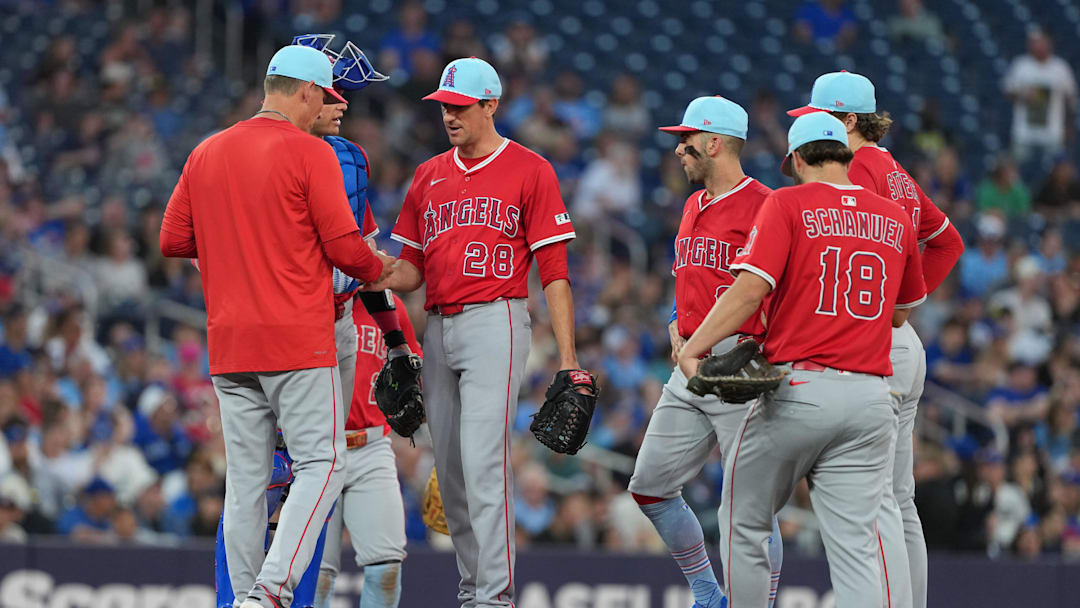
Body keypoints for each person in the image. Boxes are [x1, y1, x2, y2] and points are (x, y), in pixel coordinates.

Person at [160, 44, 394, 608]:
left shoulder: (207, 151)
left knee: (245, 481)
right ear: (308, 92)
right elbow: (345, 248)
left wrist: (235, 249)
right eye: (325, 96)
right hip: (296, 338)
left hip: (231, 344)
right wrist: (378, 267)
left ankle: (242, 597)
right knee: (324, 461)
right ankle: (269, 592)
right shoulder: (310, 152)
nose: (327, 107)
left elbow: (172, 240)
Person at [678, 112, 927, 607]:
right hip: (872, 397)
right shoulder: (894, 217)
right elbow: (900, 313)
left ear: (794, 158)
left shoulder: (787, 202)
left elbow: (749, 291)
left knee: (743, 521)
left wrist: (692, 346)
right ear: (847, 155)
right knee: (858, 547)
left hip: (802, 388)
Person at [375, 57, 590, 607]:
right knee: (449, 474)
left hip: (498, 319)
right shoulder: (428, 175)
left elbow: (556, 272)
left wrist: (568, 357)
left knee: (484, 462)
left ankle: (493, 598)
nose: (449, 115)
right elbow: (411, 271)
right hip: (438, 326)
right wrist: (365, 266)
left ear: (490, 105)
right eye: (444, 106)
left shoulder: (530, 168)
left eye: (460, 106)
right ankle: (473, 591)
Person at [788, 70, 964, 608]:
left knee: (874, 502)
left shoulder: (857, 168)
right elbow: (947, 242)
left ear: (847, 121)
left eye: (821, 119)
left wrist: (884, 312)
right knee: (899, 499)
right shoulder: (895, 171)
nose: (812, 130)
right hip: (901, 341)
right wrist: (900, 306)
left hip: (873, 348)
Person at [628, 96, 782, 608]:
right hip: (689, 364)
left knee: (749, 507)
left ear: (715, 143)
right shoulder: (693, 204)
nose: (678, 149)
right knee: (649, 486)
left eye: (687, 139)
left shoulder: (765, 203)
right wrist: (676, 325)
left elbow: (769, 290)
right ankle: (707, 593)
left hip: (739, 363)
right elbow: (691, 281)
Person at [314, 293, 421, 608]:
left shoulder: (390, 304)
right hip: (317, 449)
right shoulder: (311, 294)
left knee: (386, 569)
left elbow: (413, 365)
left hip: (372, 445)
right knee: (315, 575)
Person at [1002, 28, 1077, 165]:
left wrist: (1068, 126)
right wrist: (1023, 95)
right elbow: (1007, 91)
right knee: (1016, 166)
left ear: (1049, 43)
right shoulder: (1021, 65)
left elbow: (1069, 99)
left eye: (1041, 42)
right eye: (1034, 42)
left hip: (1053, 132)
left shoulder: (1060, 68)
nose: (1038, 46)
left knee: (1056, 167)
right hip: (1024, 132)